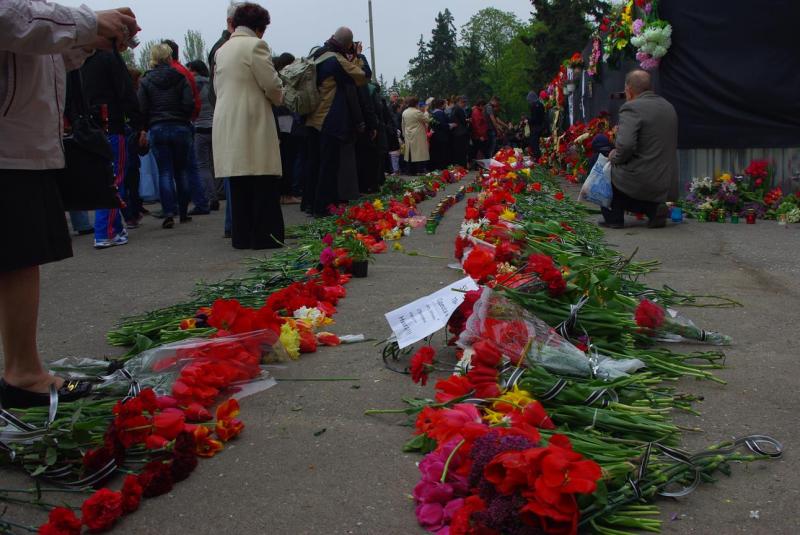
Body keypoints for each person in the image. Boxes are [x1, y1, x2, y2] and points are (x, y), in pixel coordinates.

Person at [0, 1, 139, 408]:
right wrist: (87, 22)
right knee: (17, 255)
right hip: (10, 139)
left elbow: (35, 51)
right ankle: (23, 371)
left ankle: (24, 368)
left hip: (21, 138)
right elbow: (11, 19)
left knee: (20, 256)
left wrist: (87, 39)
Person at [213, 3, 285, 249]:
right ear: (259, 27)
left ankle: (241, 236)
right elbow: (272, 84)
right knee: (262, 178)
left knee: (240, 181)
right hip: (252, 118)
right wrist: (279, 98)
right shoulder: (255, 45)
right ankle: (265, 237)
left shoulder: (222, 50)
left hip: (227, 119)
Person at [80, 49, 142, 248]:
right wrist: (138, 122)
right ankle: (105, 231)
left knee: (104, 177)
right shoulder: (110, 58)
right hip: (111, 126)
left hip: (89, 127)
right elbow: (125, 90)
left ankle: (112, 228)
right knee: (114, 179)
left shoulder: (81, 59)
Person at [601, 70, 678, 229]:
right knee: (631, 177)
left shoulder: (631, 108)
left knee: (604, 167)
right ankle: (653, 209)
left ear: (628, 90)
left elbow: (626, 147)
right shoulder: (668, 106)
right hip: (664, 182)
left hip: (641, 178)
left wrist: (612, 156)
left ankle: (614, 217)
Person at [304, 27, 367, 216]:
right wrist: (356, 55)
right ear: (347, 45)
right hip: (327, 118)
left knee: (313, 163)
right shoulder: (335, 59)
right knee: (328, 165)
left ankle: (309, 203)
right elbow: (362, 76)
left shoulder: (316, 54)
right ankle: (322, 207)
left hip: (309, 117)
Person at [138, 43, 195, 229]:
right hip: (180, 127)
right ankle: (184, 213)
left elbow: (142, 108)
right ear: (170, 57)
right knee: (182, 171)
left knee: (164, 172)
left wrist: (145, 127)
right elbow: (189, 104)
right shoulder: (180, 77)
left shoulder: (146, 80)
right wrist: (183, 118)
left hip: (158, 127)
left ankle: (168, 212)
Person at [187, 60, 219, 211]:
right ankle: (219, 193)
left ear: (194, 70)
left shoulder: (193, 84)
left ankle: (211, 197)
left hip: (200, 128)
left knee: (202, 165)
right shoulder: (212, 83)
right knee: (215, 165)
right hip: (215, 127)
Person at [401, 96, 429, 175]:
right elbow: (427, 120)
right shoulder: (417, 112)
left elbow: (403, 125)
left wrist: (404, 134)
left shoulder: (404, 112)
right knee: (418, 154)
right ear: (416, 103)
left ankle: (410, 171)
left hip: (408, 134)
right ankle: (419, 170)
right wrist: (426, 112)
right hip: (418, 135)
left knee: (410, 154)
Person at [429, 98, 452, 171]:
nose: (446, 105)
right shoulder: (440, 113)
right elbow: (442, 124)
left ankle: (436, 166)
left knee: (436, 152)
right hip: (441, 136)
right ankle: (441, 166)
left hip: (435, 136)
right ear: (442, 105)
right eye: (445, 104)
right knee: (442, 152)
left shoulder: (433, 112)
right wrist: (450, 125)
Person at [450, 96, 469, 167]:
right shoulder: (459, 109)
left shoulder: (454, 108)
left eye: (465, 102)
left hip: (456, 132)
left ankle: (458, 165)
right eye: (463, 102)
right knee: (462, 150)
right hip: (461, 132)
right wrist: (467, 120)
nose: (464, 104)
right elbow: (463, 121)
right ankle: (462, 165)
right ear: (458, 102)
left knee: (458, 150)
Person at [527, 89, 547, 159]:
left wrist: (528, 120)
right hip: (541, 126)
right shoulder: (540, 104)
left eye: (529, 100)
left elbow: (535, 119)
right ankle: (538, 158)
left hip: (536, 128)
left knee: (534, 143)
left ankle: (537, 158)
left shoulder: (534, 106)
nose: (529, 102)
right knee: (537, 144)